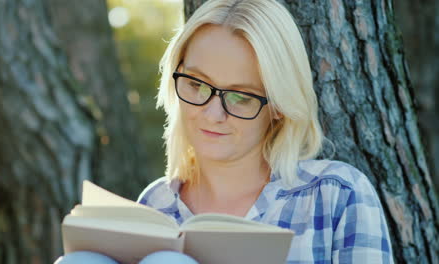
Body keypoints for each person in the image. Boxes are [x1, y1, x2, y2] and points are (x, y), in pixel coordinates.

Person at [56, 0, 394, 263]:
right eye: (197, 84)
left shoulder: (335, 196)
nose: (212, 113)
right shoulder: (156, 205)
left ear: (277, 105)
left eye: (240, 96)